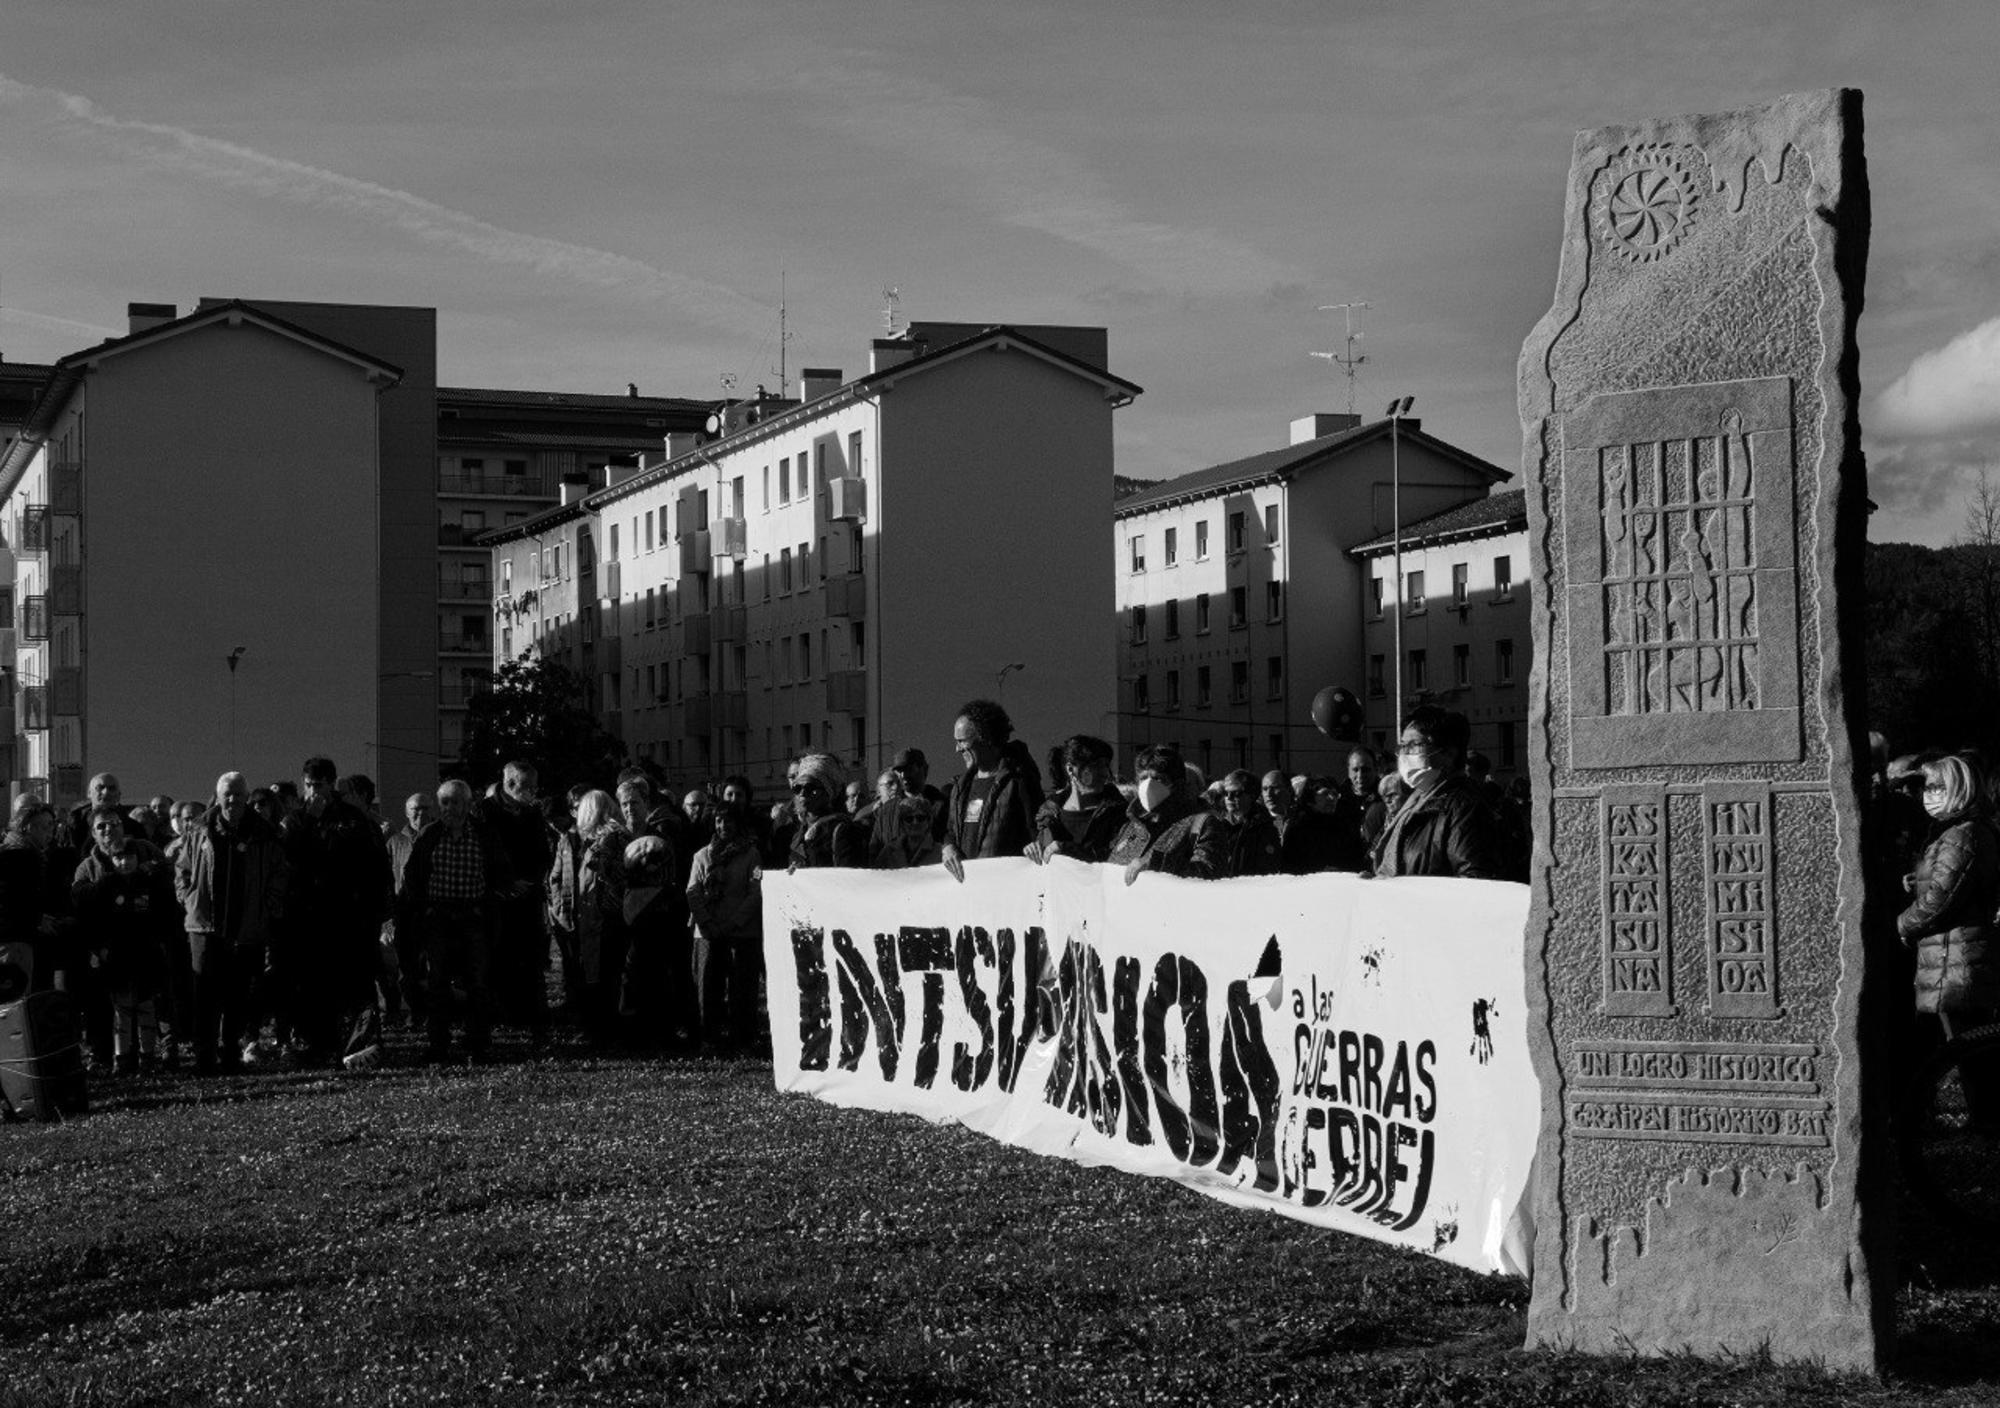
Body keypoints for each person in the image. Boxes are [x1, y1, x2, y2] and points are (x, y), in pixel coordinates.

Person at [1898, 753, 2000, 1124]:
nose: (1929, 794)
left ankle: (1987, 1127)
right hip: (1950, 955)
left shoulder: (1962, 833)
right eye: (1927, 786)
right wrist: (1916, 881)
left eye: (1939, 787)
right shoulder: (1958, 831)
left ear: (1961, 788)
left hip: (1955, 957)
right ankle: (1981, 1122)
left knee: (1969, 1050)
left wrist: (1902, 924)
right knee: (1964, 1048)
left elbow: (1942, 899)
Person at [282, 756, 395, 1067]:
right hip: (311, 916)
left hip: (350, 916)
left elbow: (372, 864)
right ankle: (319, 1043)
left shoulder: (353, 819)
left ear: (331, 784)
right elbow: (289, 859)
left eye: (318, 786)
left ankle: (363, 1045)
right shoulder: (295, 819)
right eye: (308, 786)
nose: (312, 792)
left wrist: (376, 910)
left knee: (357, 983)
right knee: (315, 984)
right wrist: (308, 822)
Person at [397, 779, 517, 1063]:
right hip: (438, 916)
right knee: (437, 982)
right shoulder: (430, 834)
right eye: (445, 803)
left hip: (472, 916)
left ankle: (477, 1043)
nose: (449, 808)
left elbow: (501, 870)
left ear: (467, 805)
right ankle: (438, 1043)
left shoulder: (484, 834)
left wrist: (490, 900)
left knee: (477, 982)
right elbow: (412, 877)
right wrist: (424, 909)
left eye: (455, 802)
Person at [176, 772, 289, 1073]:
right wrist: (188, 897)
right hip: (204, 926)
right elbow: (182, 868)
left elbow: (280, 872)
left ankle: (229, 1055)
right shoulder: (199, 830)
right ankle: (204, 1057)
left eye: (238, 794)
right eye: (227, 794)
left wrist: (269, 906)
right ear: (217, 795)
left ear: (246, 797)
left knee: (237, 995)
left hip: (247, 926)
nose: (232, 800)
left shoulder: (264, 833)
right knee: (205, 996)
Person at [73, 805, 177, 1075]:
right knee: (109, 1008)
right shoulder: (88, 867)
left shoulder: (145, 853)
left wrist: (152, 872)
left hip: (146, 947)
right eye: (101, 826)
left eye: (114, 823)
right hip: (109, 950)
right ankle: (108, 1056)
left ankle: (154, 1053)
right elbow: (79, 903)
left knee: (149, 1004)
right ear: (93, 834)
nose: (109, 830)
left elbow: (168, 882)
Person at [1369, 706, 1507, 880]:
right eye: (1403, 746)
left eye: (1415, 745)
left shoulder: (1465, 808)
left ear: (1449, 753)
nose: (1404, 754)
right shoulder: (1414, 802)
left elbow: (1474, 882)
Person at [479, 761, 557, 1046]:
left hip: (527, 897)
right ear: (512, 785)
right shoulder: (485, 813)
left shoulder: (532, 813)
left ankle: (532, 1018)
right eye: (530, 787)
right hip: (497, 899)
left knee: (530, 961)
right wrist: (504, 884)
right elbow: (484, 854)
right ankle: (500, 1015)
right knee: (496, 959)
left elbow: (541, 852)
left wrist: (530, 881)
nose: (535, 793)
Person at [686, 806, 764, 1051]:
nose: (723, 827)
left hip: (741, 932)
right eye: (719, 821)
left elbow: (755, 893)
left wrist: (733, 923)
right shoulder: (702, 856)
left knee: (741, 986)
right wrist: (707, 923)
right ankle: (709, 1036)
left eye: (728, 821)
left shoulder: (751, 855)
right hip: (708, 933)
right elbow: (693, 892)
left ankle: (742, 1037)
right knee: (707, 986)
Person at [941, 699, 1039, 882]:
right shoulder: (960, 787)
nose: (957, 749)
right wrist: (947, 846)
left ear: (984, 738)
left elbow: (1037, 834)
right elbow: (951, 831)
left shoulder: (1019, 781)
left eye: (962, 741)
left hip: (1003, 891)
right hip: (967, 892)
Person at [567, 789, 631, 1048]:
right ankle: (603, 1027)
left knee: (605, 973)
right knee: (604, 972)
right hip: (604, 914)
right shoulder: (614, 835)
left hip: (606, 915)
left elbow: (606, 876)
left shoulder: (609, 838)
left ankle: (603, 1029)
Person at [1107, 745, 1225, 884]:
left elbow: (1210, 874)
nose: (1148, 786)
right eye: (1143, 778)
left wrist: (1158, 864)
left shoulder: (1202, 825)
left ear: (1178, 785)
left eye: (1159, 779)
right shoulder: (1132, 827)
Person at [1027, 734, 1126, 864]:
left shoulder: (1118, 812)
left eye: (1106, 765)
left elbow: (1122, 856)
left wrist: (1070, 850)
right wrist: (1033, 850)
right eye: (1096, 765)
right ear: (1070, 769)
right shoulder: (1048, 815)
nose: (1105, 773)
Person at [0, 797, 62, 996]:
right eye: (45, 826)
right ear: (27, 827)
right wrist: (36, 919)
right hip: (16, 941)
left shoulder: (12, 851)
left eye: (52, 826)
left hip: (16, 938)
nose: (50, 832)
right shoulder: (22, 857)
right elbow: (13, 899)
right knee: (18, 1001)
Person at [789, 753, 867, 869]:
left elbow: (849, 880)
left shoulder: (843, 831)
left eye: (810, 788)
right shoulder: (799, 833)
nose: (803, 793)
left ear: (829, 791)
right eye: (798, 788)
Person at [1215, 769, 1283, 877]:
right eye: (1225, 793)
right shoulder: (1217, 824)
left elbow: (1269, 868)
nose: (1229, 798)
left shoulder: (1265, 826)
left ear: (1252, 795)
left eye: (1236, 793)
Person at [1260, 770, 1295, 840]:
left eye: (1275, 788)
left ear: (1289, 790)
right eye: (1265, 789)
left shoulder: (1303, 820)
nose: (1269, 794)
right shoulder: (1257, 824)